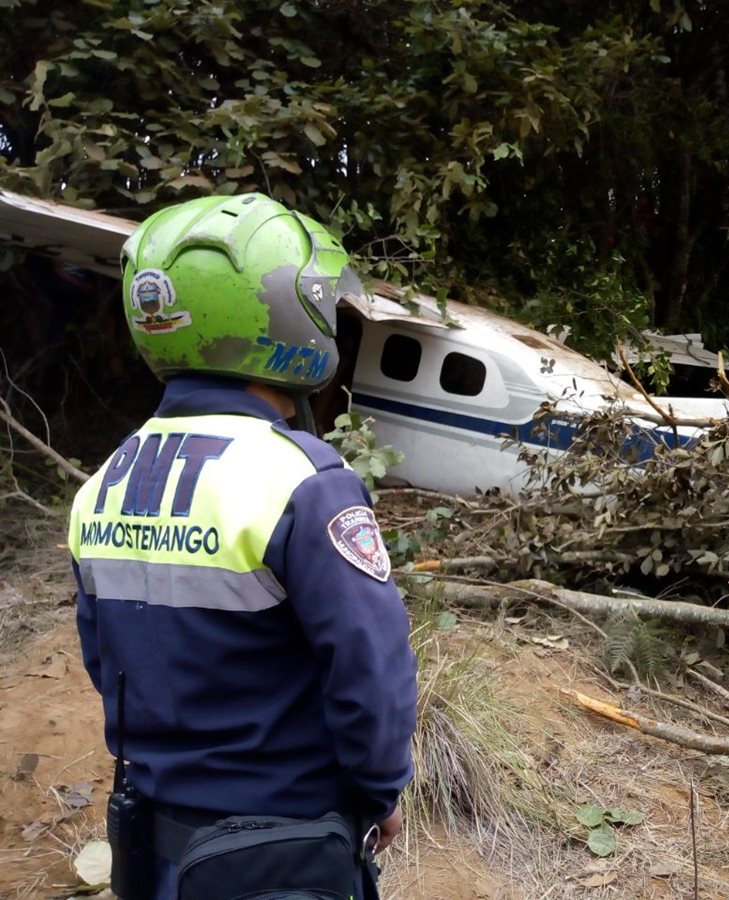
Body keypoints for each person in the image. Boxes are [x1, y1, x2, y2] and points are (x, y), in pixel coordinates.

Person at [67, 194, 419, 900]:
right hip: (281, 857)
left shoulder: (101, 485)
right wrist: (381, 791)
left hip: (158, 852)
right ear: (290, 315)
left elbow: (109, 666)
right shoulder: (304, 482)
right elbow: (368, 671)